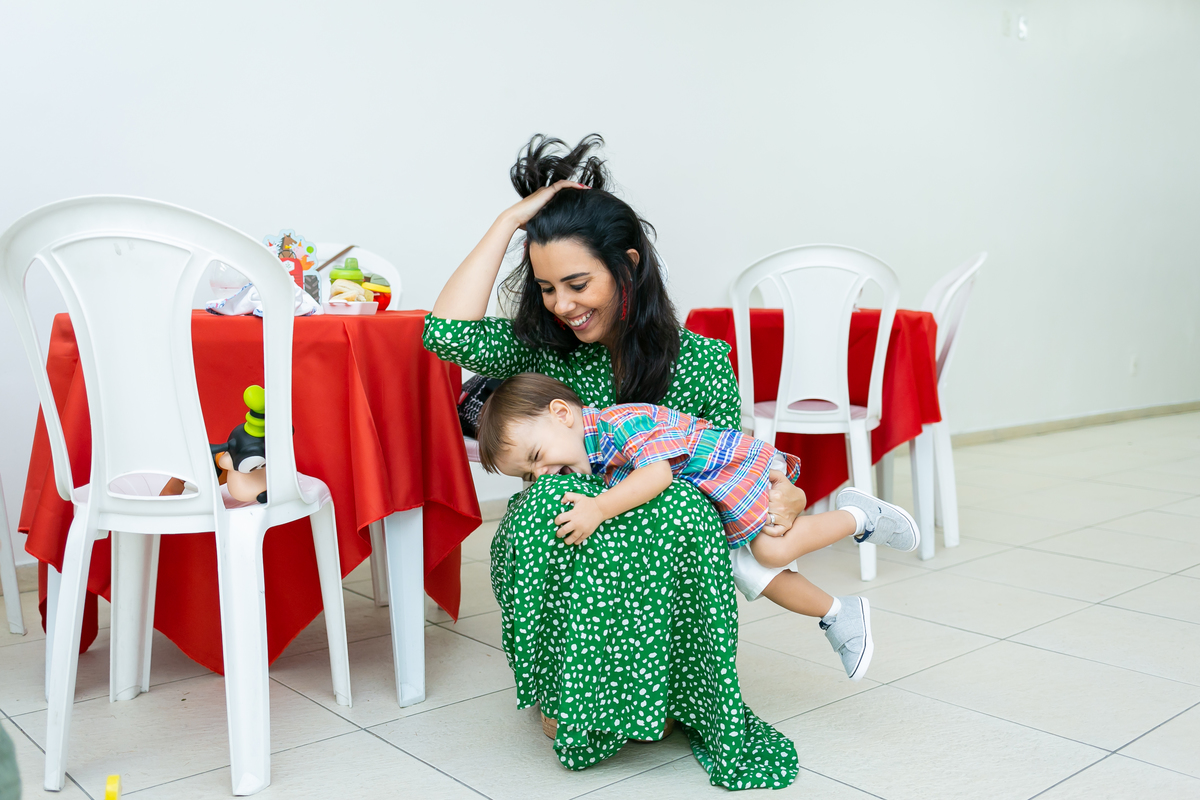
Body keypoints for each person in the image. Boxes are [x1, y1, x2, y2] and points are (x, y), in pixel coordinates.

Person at [425, 134, 805, 788]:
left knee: (678, 504)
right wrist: (510, 221)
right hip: (576, 532)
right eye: (547, 288)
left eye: (578, 284)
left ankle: (666, 689)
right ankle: (575, 688)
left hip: (663, 528)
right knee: (551, 498)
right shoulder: (544, 351)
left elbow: (735, 460)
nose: (562, 306)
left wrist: (786, 493)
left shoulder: (700, 360)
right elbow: (445, 334)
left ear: (627, 266)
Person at [475, 372, 920, 681]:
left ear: (562, 413)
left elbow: (656, 475)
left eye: (537, 458)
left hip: (732, 469)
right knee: (755, 575)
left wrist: (598, 509)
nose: (542, 476)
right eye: (528, 475)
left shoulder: (618, 423)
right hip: (713, 502)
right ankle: (838, 613)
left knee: (771, 552)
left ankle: (860, 516)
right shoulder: (585, 459)